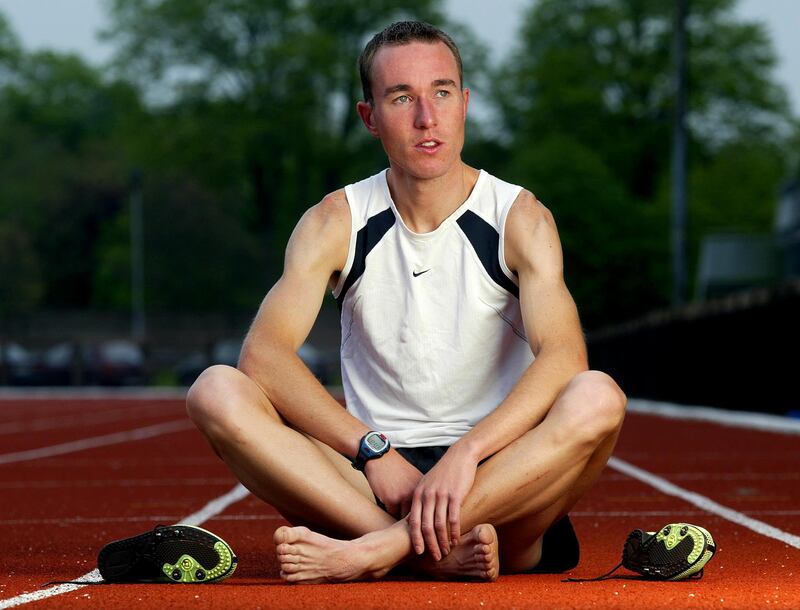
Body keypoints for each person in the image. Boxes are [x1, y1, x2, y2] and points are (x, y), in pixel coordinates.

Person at [186, 20, 626, 584]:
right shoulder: (334, 221)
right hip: (372, 479)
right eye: (401, 98)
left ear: (464, 104)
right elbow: (264, 356)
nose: (426, 117)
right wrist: (372, 451)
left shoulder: (520, 218)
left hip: (498, 476)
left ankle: (378, 551)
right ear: (369, 117)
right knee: (216, 390)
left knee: (598, 395)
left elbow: (564, 357)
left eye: (441, 93)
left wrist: (467, 454)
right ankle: (432, 555)